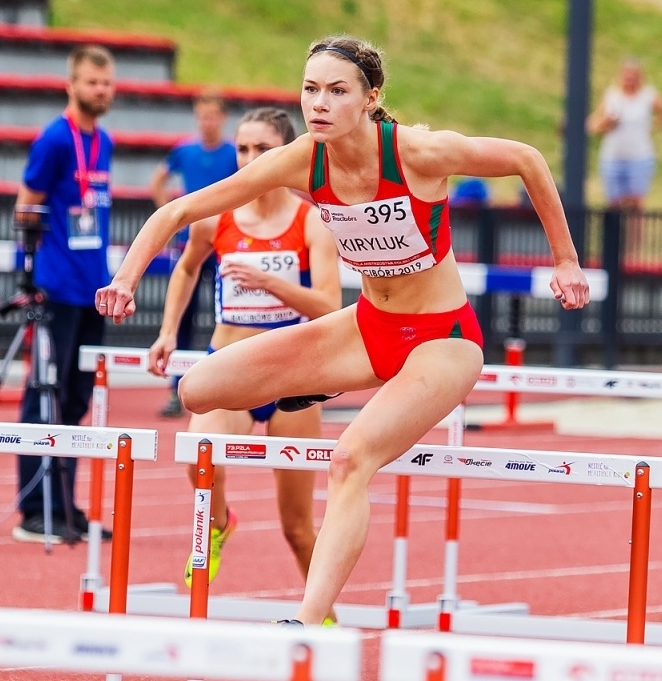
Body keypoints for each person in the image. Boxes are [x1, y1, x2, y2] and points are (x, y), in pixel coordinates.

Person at [98, 36, 591, 625]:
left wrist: (565, 260)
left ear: (369, 98)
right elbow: (180, 210)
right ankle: (318, 383)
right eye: (310, 89)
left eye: (336, 91)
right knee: (197, 390)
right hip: (368, 326)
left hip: (442, 339)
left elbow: (527, 158)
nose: (319, 104)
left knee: (349, 459)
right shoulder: (303, 159)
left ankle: (308, 622)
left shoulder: (418, 152)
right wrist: (125, 279)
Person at [146, 107, 342, 589]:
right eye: (243, 148)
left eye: (263, 149)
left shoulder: (312, 222)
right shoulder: (215, 218)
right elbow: (187, 267)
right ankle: (218, 524)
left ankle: (323, 616)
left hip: (293, 377)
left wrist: (270, 283)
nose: (251, 159)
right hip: (231, 367)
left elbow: (329, 306)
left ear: (288, 153)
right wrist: (168, 331)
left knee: (297, 527)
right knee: (198, 456)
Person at [11, 45, 116, 543]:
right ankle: (35, 509)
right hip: (56, 288)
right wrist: (28, 275)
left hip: (92, 288)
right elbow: (26, 207)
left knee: (75, 400)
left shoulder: (104, 141)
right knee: (43, 396)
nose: (102, 90)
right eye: (93, 82)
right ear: (71, 85)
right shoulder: (54, 140)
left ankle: (64, 505)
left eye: (107, 83)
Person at [149, 93, 239, 418]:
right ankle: (176, 389)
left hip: (225, 244)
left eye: (212, 116)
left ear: (223, 118)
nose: (207, 122)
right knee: (182, 315)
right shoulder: (185, 151)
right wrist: (170, 217)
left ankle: (227, 386)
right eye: (202, 116)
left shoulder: (234, 153)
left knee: (225, 314)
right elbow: (158, 180)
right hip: (192, 243)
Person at [587, 58, 662, 248]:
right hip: (612, 157)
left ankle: (634, 246)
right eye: (626, 75)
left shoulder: (647, 96)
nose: (629, 79)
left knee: (636, 203)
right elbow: (593, 126)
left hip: (639, 157)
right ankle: (613, 243)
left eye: (633, 76)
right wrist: (607, 123)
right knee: (614, 203)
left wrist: (651, 128)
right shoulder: (612, 96)